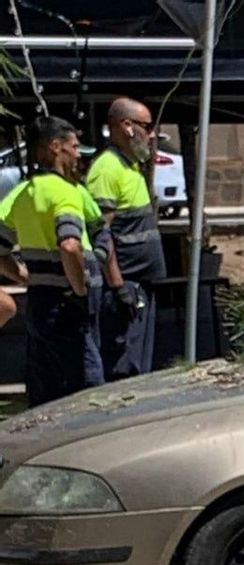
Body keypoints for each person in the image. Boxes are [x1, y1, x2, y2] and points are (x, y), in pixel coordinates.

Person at [0, 117, 103, 406]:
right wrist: (80, 290)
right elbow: (70, 246)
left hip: (40, 303)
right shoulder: (66, 192)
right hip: (68, 303)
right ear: (55, 147)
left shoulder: (21, 194)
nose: (77, 154)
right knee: (86, 389)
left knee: (45, 389)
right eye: (73, 147)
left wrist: (24, 277)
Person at [86, 97, 161, 381]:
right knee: (124, 368)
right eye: (147, 126)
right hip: (124, 286)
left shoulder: (130, 167)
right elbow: (101, 234)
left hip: (140, 283)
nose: (152, 135)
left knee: (139, 366)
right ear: (127, 126)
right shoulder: (107, 169)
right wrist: (118, 286)